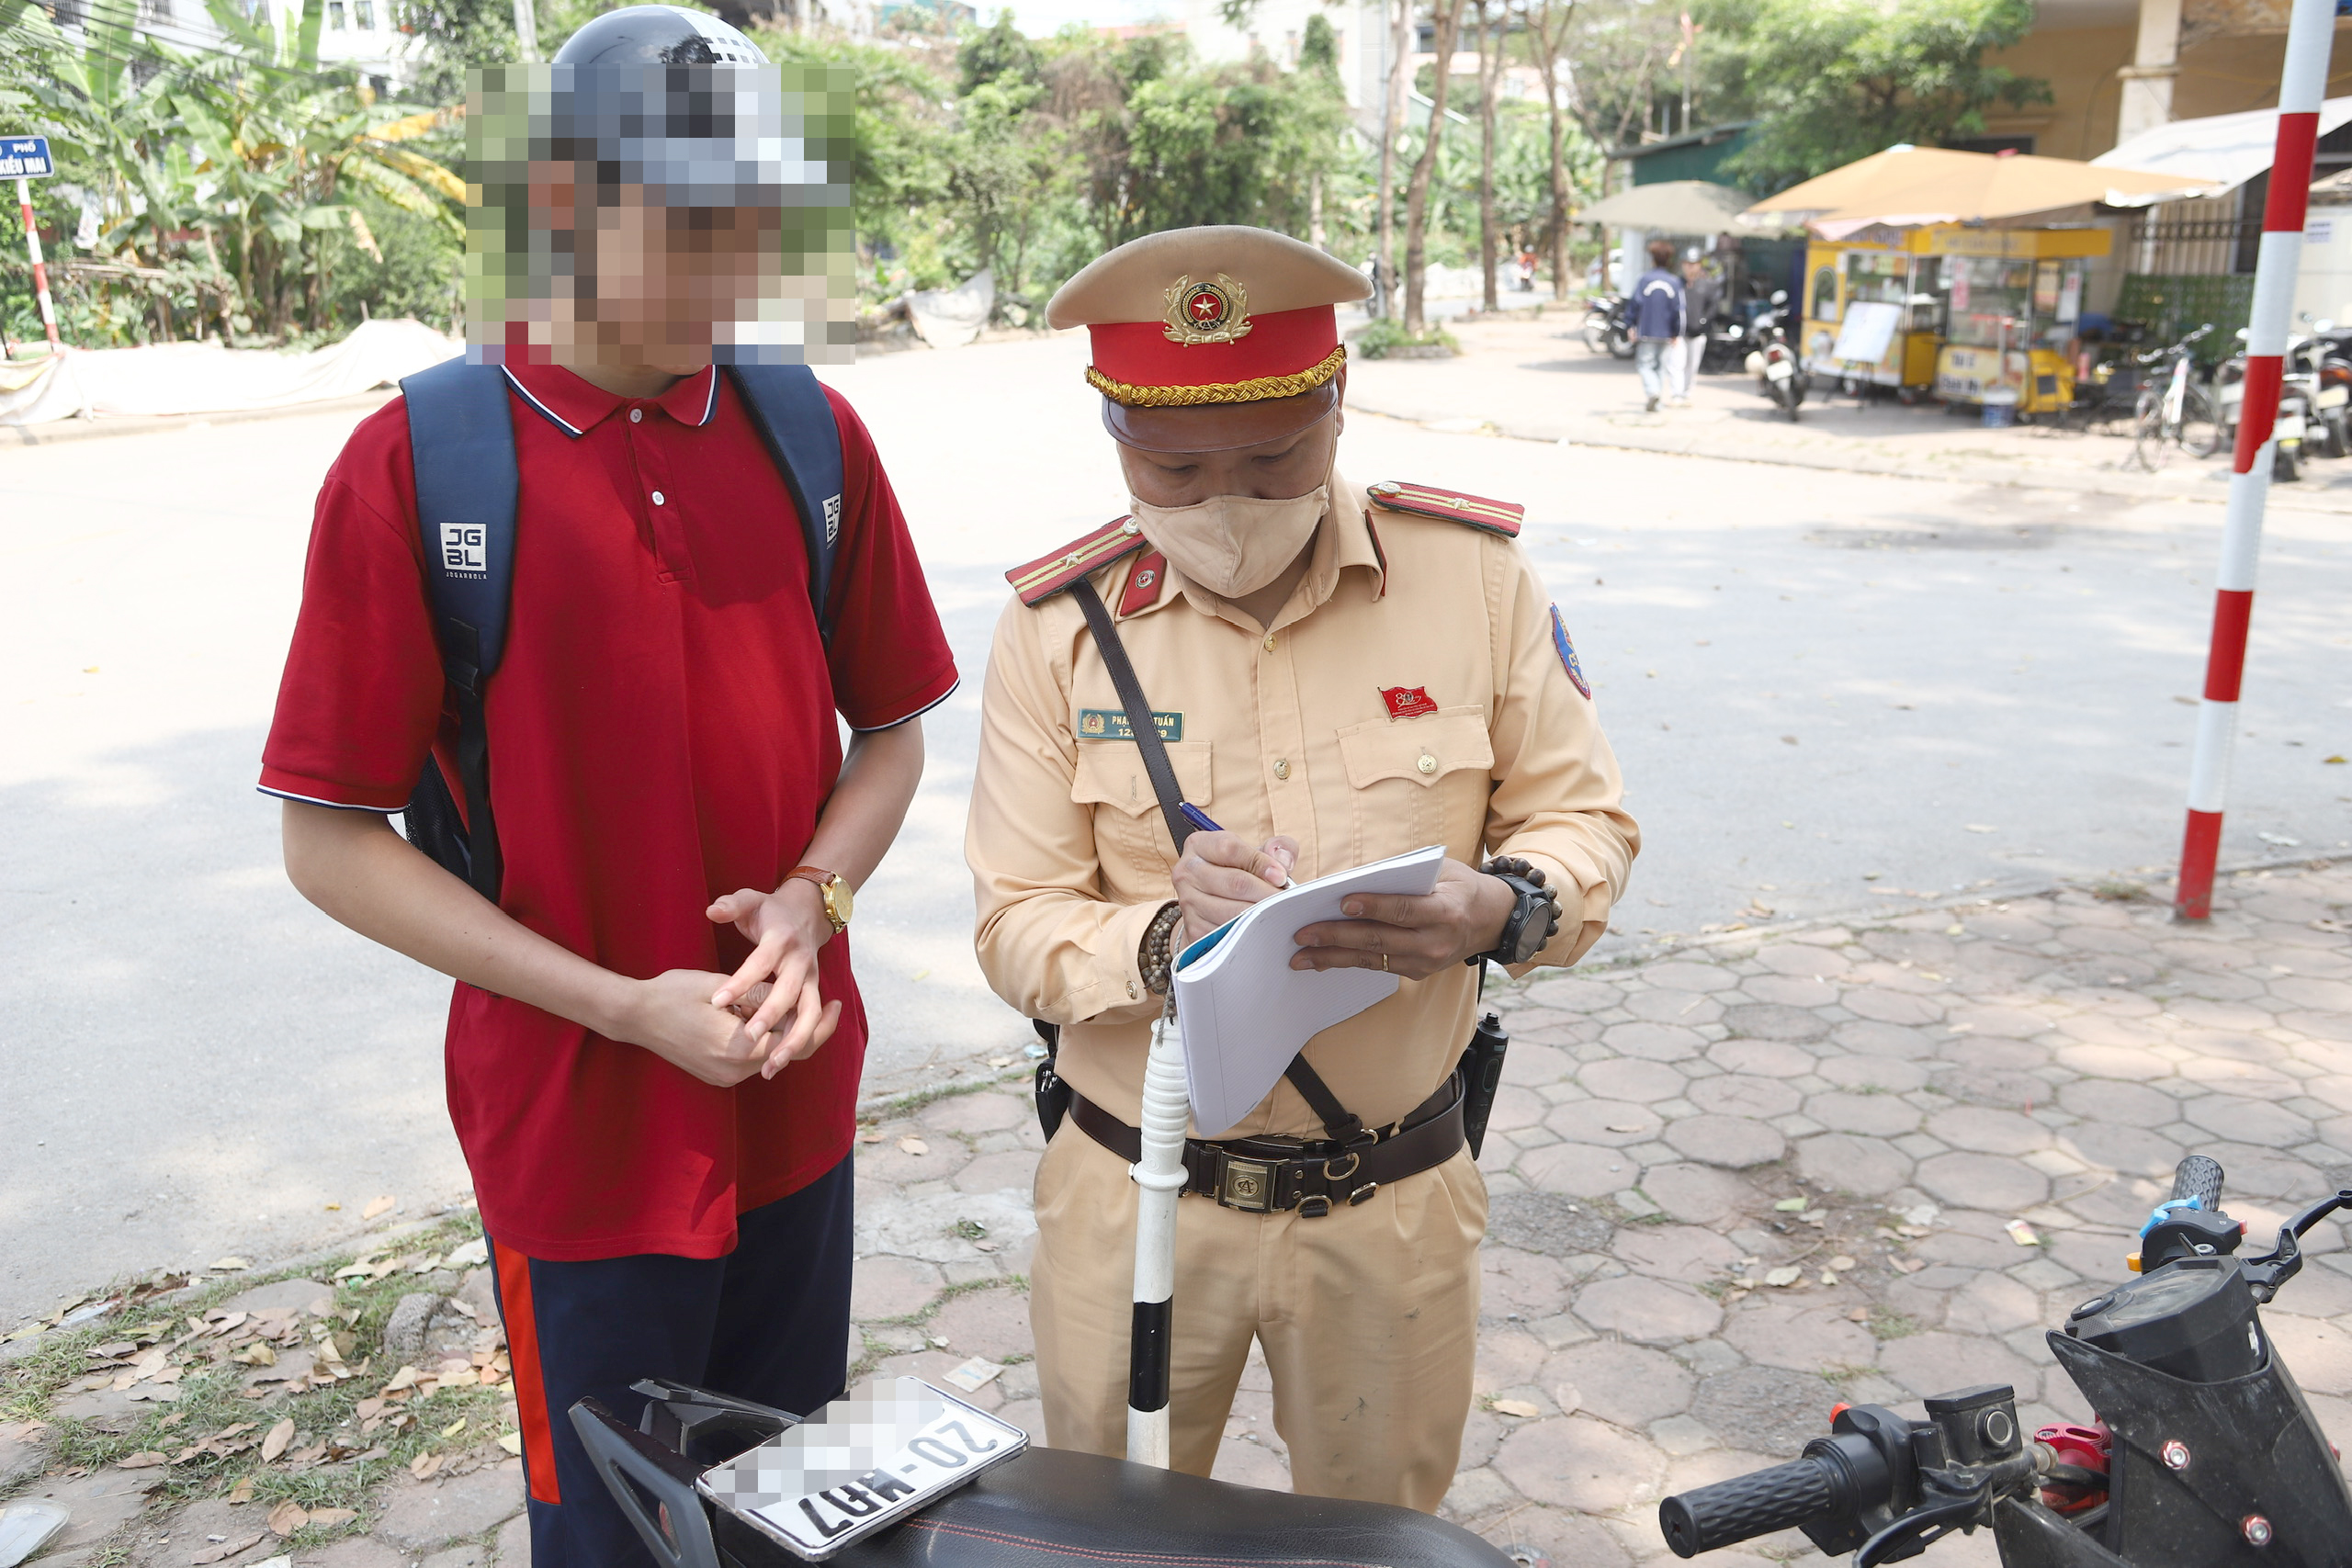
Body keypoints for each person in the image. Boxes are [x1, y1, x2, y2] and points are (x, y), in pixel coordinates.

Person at [256, 9, 957, 1565]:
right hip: (579, 1141)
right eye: (695, 231)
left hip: (795, 1097)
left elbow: (892, 730)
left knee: (788, 1518)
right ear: (563, 204)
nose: (735, 275)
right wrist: (618, 1002)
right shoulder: (426, 467)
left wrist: (811, 897)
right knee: (624, 1537)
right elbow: (328, 837)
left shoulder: (806, 433)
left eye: (756, 228)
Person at [965, 225, 1638, 1512]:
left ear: (1337, 403)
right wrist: (1162, 940)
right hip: (1136, 1196)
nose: (1226, 500)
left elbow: (1586, 826)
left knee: (1381, 1539)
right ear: (1115, 436)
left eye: (1273, 457)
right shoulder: (1056, 629)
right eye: (1174, 467)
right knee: (1111, 1539)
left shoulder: (1474, 580)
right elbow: (1013, 922)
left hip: (1388, 1200)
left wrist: (1496, 906)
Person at [1629, 238, 1684, 412]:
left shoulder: (1644, 280)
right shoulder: (1674, 282)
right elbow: (1678, 310)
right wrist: (1676, 332)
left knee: (1645, 365)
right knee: (1661, 367)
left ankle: (1653, 392)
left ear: (1652, 259)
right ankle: (1657, 401)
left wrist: (1630, 325)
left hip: (1647, 331)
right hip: (1666, 333)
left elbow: (1634, 304)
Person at [1672, 254, 1724, 406]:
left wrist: (1704, 321)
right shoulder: (1678, 284)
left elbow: (1713, 307)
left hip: (1698, 332)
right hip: (1680, 332)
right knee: (1676, 364)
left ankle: (1686, 394)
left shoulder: (1707, 285)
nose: (1690, 267)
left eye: (1693, 264)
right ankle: (1676, 394)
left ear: (1699, 265)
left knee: (1692, 365)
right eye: (1687, 264)